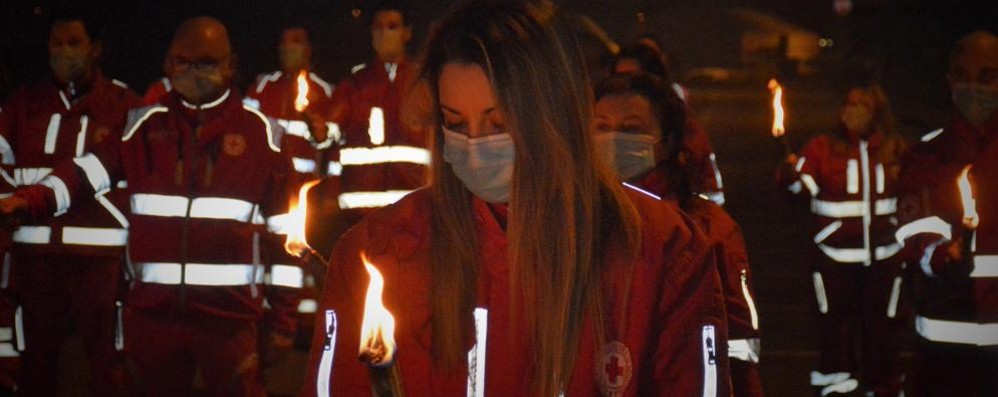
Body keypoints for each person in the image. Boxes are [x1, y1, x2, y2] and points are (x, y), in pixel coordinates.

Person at [301, 1, 730, 396]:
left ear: (553, 115)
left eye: (498, 122)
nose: (475, 145)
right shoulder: (377, 251)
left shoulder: (663, 249)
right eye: (455, 123)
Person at [0, 16, 300, 396]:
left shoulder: (264, 138)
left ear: (230, 65)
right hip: (151, 320)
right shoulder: (140, 128)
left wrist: (284, 320)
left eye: (206, 62)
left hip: (230, 322)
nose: (193, 72)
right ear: (168, 65)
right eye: (182, 62)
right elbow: (85, 173)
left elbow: (288, 234)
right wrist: (27, 202)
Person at [592, 72, 763, 397]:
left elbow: (738, 354)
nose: (613, 139)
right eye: (601, 127)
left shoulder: (709, 229)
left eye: (631, 129)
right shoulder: (566, 224)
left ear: (666, 142)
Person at [0, 9, 137, 396]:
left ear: (96, 48)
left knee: (109, 364)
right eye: (56, 43)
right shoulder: (23, 104)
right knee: (35, 363)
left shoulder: (124, 105)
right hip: (34, 259)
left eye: (73, 43)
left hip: (100, 263)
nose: (63, 52)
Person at [777, 82, 908, 396]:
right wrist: (790, 175)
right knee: (833, 328)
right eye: (848, 103)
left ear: (875, 112)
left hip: (884, 258)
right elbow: (799, 188)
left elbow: (914, 193)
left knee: (882, 329)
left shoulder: (894, 149)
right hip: (833, 259)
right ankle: (836, 386)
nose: (851, 110)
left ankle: (883, 387)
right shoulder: (822, 147)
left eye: (860, 104)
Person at [894, 30, 998, 397]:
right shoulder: (924, 158)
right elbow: (911, 232)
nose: (974, 87)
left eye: (987, 76)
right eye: (963, 75)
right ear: (949, 80)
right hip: (943, 353)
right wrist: (939, 255)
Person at [243, 26, 339, 322]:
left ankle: (293, 325)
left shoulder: (325, 93)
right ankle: (261, 319)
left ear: (309, 49)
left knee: (295, 261)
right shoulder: (261, 88)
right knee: (260, 257)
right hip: (265, 192)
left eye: (296, 42)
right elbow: (245, 131)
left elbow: (333, 149)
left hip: (302, 198)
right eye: (283, 42)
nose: (288, 48)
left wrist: (329, 196)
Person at [324, 0, 430, 251]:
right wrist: (317, 129)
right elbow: (328, 133)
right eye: (378, 28)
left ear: (407, 33)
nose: (384, 34)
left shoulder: (424, 84)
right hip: (360, 218)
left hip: (413, 215)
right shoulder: (355, 84)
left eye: (392, 26)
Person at [611, 41, 726, 207]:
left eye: (632, 128)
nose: (626, 86)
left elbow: (710, 193)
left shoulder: (687, 135)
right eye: (619, 77)